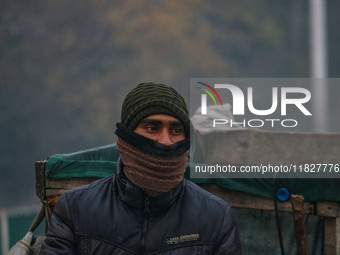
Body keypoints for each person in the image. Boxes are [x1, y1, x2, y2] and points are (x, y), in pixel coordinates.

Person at [39, 82, 241, 254]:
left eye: (176, 130)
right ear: (126, 137)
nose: (165, 141)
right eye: (152, 128)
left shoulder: (215, 216)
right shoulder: (76, 209)